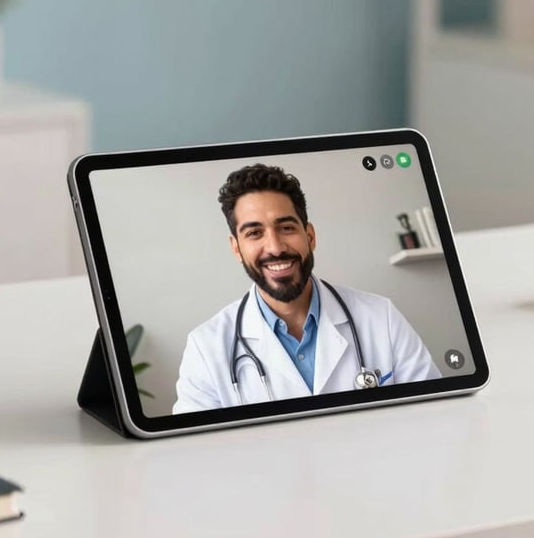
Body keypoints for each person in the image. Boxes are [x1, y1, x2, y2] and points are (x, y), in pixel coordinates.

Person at [173, 164, 441, 411]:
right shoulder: (205, 347)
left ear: (310, 235)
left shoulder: (382, 317)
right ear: (236, 248)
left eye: (286, 227)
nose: (276, 248)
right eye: (255, 233)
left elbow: (433, 416)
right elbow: (194, 454)